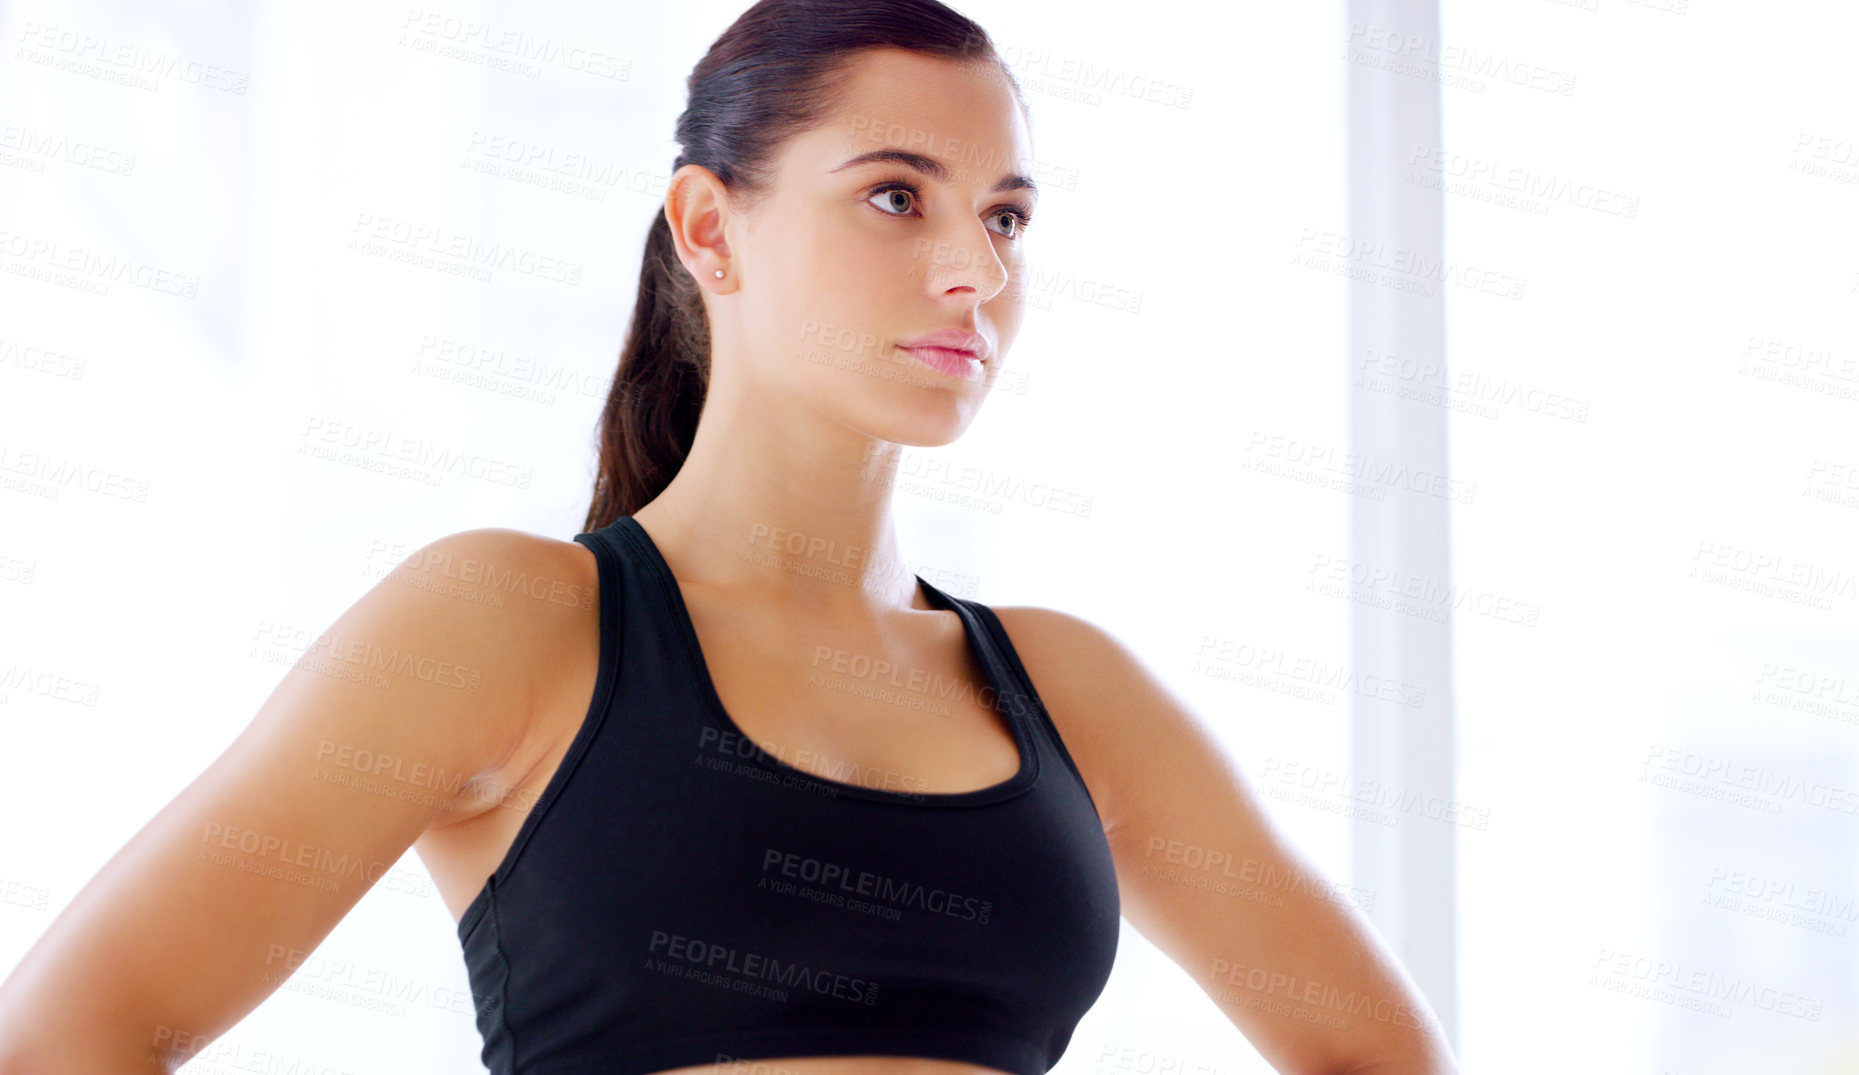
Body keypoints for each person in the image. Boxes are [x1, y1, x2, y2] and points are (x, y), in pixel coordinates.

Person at [0, 1, 1459, 1072]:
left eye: (1007, 217)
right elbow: (74, 1035)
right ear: (711, 229)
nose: (975, 270)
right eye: (897, 196)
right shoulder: (510, 623)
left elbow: (1385, 1060)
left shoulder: (1073, 692)